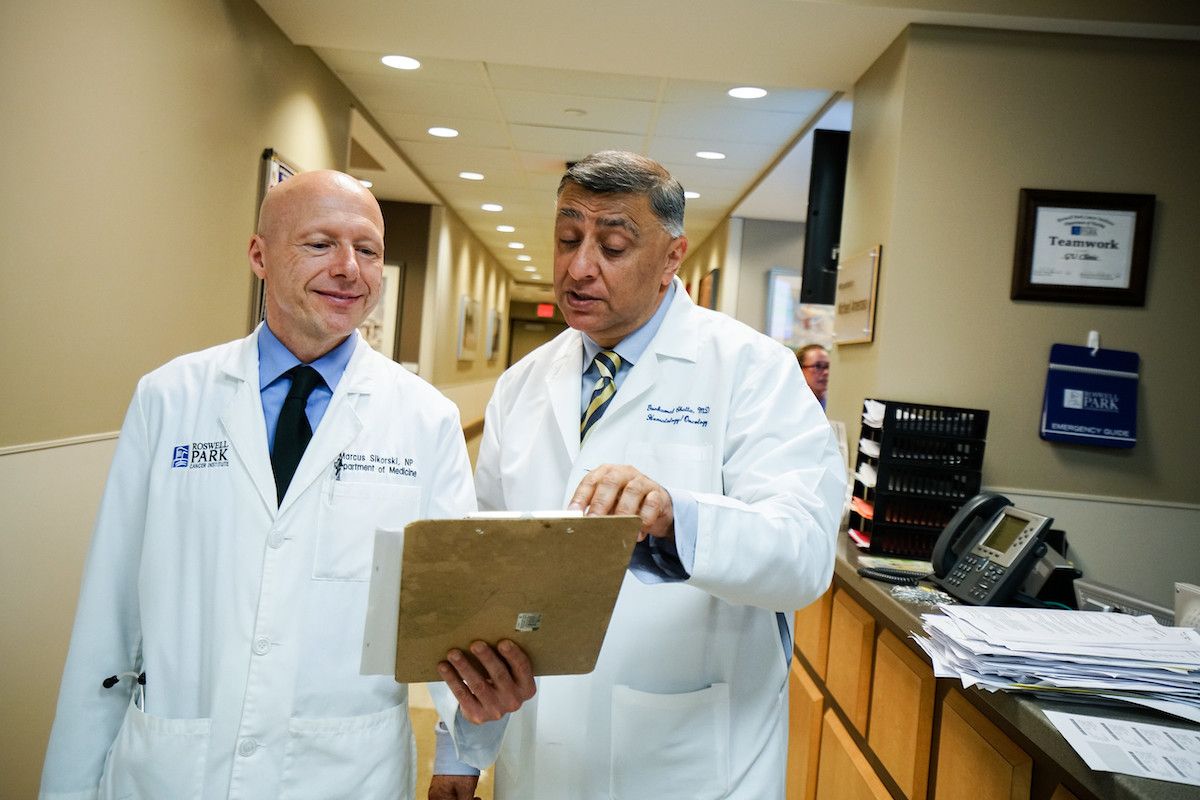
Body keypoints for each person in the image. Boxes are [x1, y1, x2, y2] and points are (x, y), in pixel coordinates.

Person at [40, 170, 534, 800]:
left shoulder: (423, 417)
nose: (349, 268)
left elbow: (454, 608)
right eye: (320, 244)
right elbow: (110, 610)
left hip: (342, 768)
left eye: (369, 249)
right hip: (177, 764)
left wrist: (461, 757)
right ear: (259, 256)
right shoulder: (170, 397)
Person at [430, 152, 845, 799]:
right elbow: (484, 577)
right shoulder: (523, 387)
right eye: (568, 239)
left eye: (613, 245)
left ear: (672, 256)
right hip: (540, 759)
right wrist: (461, 748)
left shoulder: (752, 371)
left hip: (690, 761)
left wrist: (680, 517)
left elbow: (804, 556)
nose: (578, 266)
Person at [796, 343, 831, 410]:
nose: (826, 372)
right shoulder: (790, 405)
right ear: (800, 369)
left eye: (827, 366)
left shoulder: (834, 405)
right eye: (818, 366)